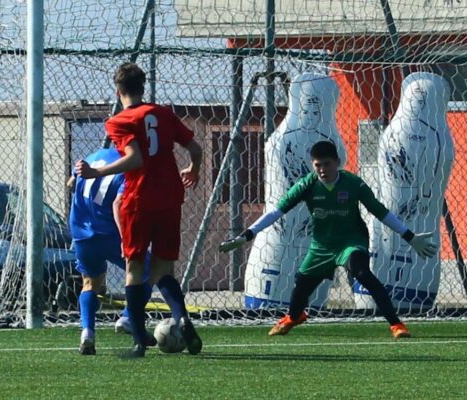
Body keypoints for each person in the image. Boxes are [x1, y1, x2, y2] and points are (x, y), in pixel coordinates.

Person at [220, 141, 437, 338]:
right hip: (322, 245)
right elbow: (277, 212)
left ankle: (397, 325)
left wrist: (410, 237)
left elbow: (380, 211)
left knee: (362, 273)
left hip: (351, 241)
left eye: (326, 164)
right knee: (301, 286)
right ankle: (294, 316)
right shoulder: (307, 184)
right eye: (317, 165)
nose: (322, 170)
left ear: (337, 163)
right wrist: (247, 235)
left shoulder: (353, 184)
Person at [76, 62, 204, 358]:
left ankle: (137, 343)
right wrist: (193, 170)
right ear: (142, 87)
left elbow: (134, 160)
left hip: (139, 198)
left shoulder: (118, 122)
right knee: (163, 270)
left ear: (118, 90)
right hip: (171, 196)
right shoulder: (163, 113)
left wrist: (98, 172)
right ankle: (183, 319)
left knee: (134, 270)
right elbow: (196, 150)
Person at [68, 147, 153, 355]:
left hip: (81, 230)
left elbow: (71, 183)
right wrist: (126, 239)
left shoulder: (93, 155)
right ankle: (127, 318)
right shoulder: (128, 166)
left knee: (90, 282)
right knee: (149, 269)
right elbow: (118, 203)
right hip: (110, 232)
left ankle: (87, 332)